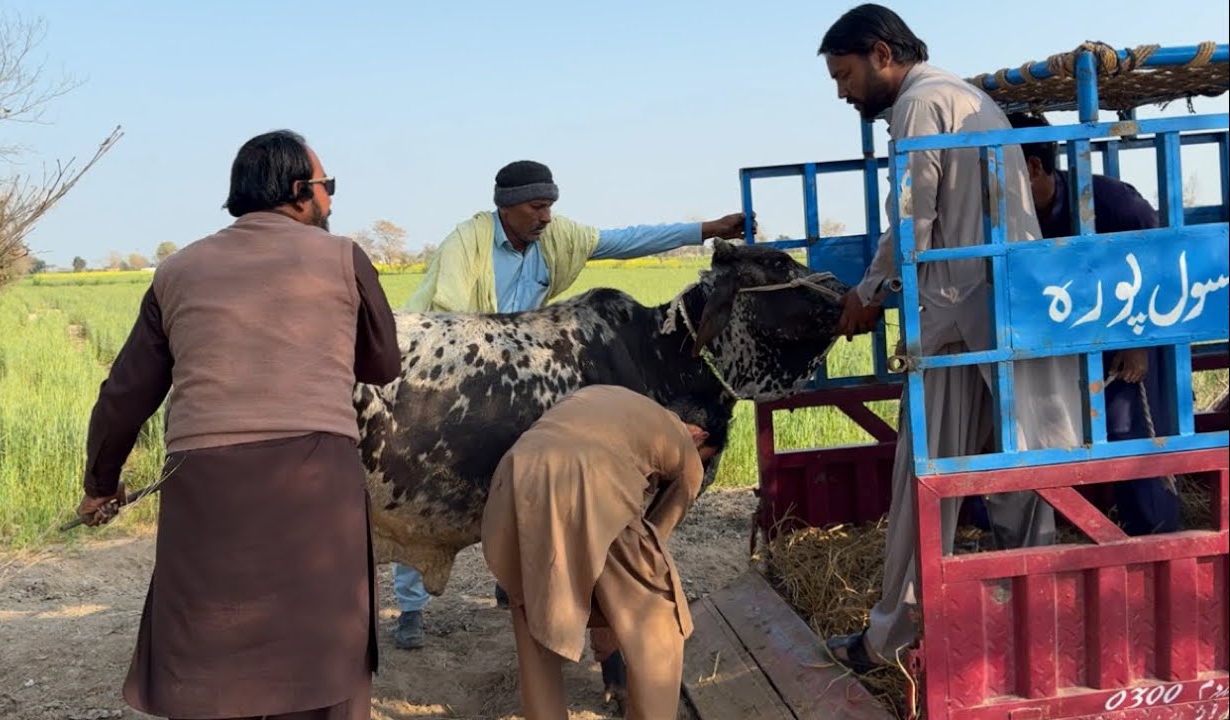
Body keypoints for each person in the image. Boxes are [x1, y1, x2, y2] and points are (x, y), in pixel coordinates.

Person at [74, 130, 402, 720]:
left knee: (209, 645)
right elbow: (382, 365)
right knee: (322, 649)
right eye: (328, 188)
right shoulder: (342, 256)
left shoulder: (176, 270)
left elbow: (124, 396)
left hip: (205, 486)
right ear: (301, 193)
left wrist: (101, 485)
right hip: (314, 479)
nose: (332, 201)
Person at [816, 5, 1084, 672]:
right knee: (1020, 480)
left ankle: (890, 641)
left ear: (882, 54)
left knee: (924, 481)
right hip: (1009, 311)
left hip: (956, 316)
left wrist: (868, 293)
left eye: (845, 75)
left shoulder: (920, 104)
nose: (842, 92)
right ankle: (1038, 632)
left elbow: (912, 222)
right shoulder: (970, 98)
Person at [389, 158, 751, 651]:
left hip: (519, 375)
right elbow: (453, 320)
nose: (546, 217)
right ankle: (410, 609)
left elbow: (625, 241)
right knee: (424, 485)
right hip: (440, 376)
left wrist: (707, 229)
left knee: (525, 475)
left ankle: (510, 578)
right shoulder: (465, 242)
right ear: (506, 208)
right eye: (537, 207)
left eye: (551, 206)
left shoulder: (553, 240)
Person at [480, 385, 722, 720]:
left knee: (535, 615)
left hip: (516, 478)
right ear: (699, 434)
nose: (701, 463)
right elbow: (658, 531)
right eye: (706, 456)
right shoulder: (681, 439)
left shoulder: (615, 401)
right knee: (661, 619)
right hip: (586, 478)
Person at [1007, 111, 1179, 536]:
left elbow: (1164, 261)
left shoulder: (1110, 201)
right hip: (1057, 347)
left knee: (1128, 433)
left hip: (1125, 342)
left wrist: (1138, 339)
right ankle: (1078, 532)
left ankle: (1156, 541)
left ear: (1031, 168)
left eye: (995, 171)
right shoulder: (1006, 224)